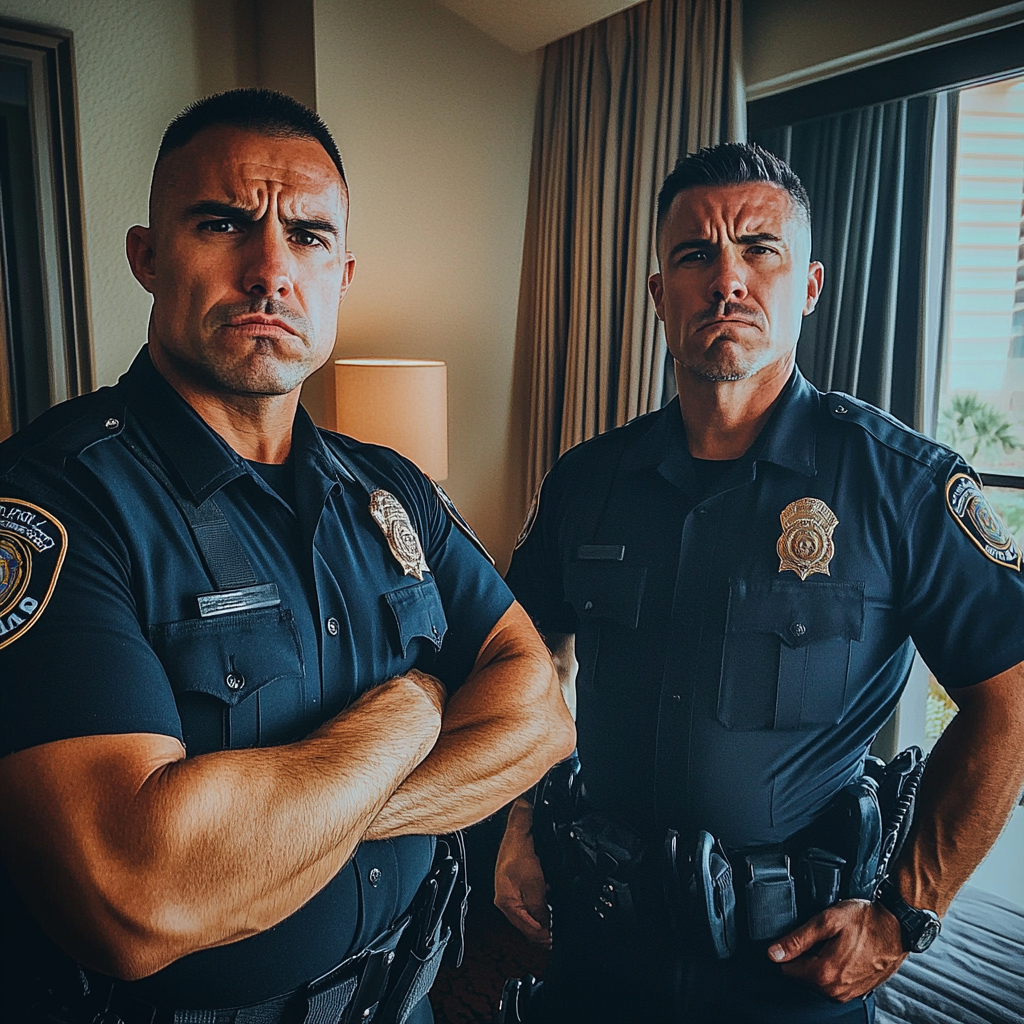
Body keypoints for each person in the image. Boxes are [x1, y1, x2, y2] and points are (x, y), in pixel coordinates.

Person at [0, 88, 576, 1024]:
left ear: (342, 276)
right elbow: (136, 896)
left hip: (410, 999)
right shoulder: (54, 500)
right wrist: (412, 707)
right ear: (147, 256)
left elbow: (540, 711)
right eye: (224, 223)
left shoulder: (389, 488)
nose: (271, 270)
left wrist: (299, 825)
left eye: (307, 236)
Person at [494, 142, 1024, 1024]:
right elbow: (526, 652)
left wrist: (904, 915)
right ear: (659, 293)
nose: (727, 279)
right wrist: (517, 814)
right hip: (597, 940)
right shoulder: (589, 482)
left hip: (790, 971)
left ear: (808, 285)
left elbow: (1009, 695)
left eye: (759, 250)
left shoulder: (901, 486)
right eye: (695, 255)